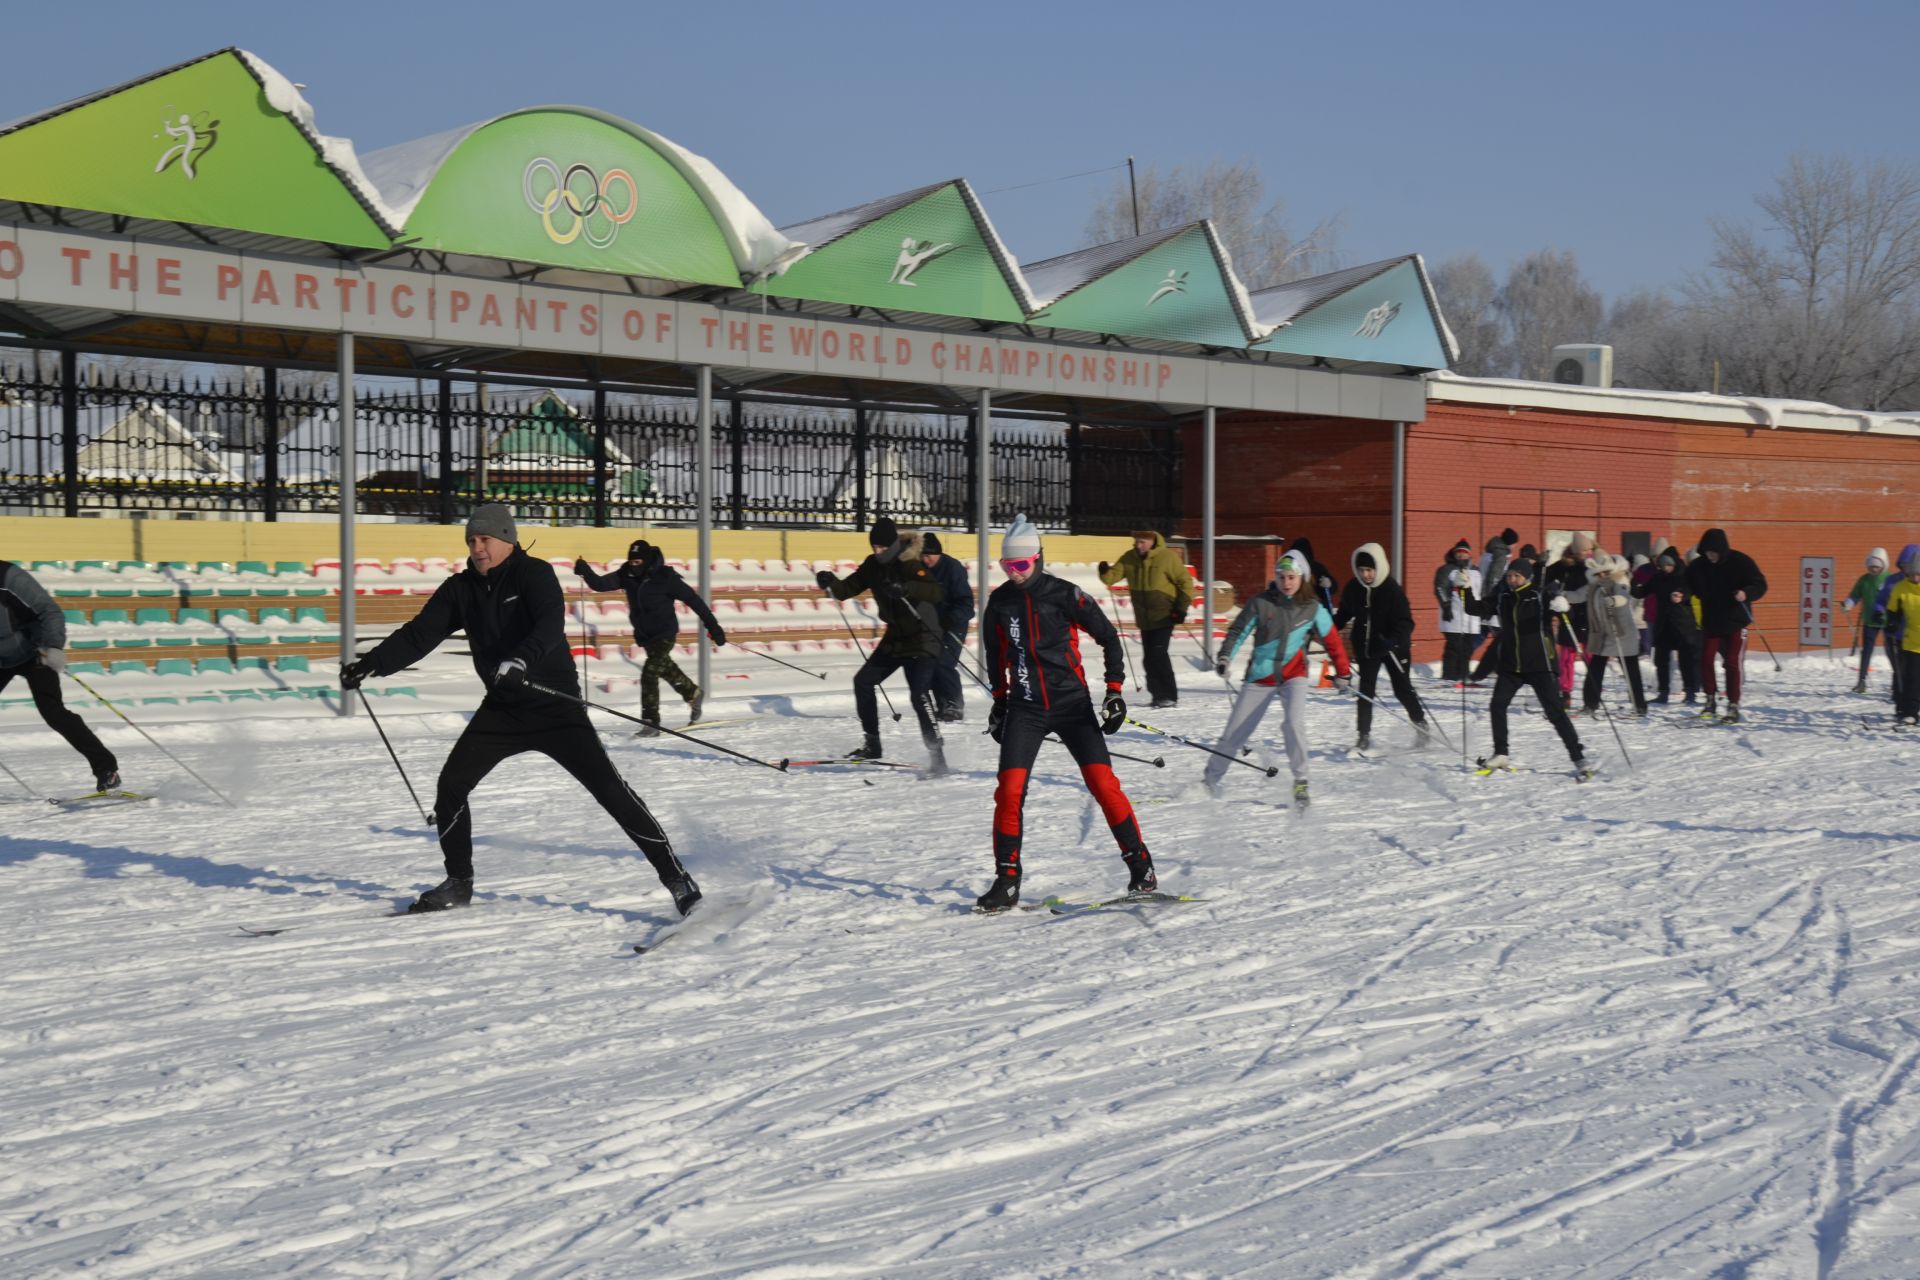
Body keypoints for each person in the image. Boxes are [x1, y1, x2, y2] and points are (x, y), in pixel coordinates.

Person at [342, 505, 699, 916]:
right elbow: (420, 633)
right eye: (472, 541)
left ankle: (676, 878)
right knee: (451, 787)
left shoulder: (535, 574)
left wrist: (522, 660)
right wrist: (372, 663)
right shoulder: (461, 589)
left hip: (554, 704)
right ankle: (459, 883)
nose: (478, 548)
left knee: (609, 790)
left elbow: (549, 623)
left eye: (485, 540)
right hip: (503, 709)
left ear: (507, 540)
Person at [975, 514, 1151, 912]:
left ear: (1038, 558)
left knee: (1104, 786)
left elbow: (1108, 638)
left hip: (1072, 706)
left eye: (1021, 564)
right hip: (1026, 709)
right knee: (1009, 792)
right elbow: (996, 656)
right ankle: (1006, 881)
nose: (1015, 573)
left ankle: (1142, 867)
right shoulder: (1000, 602)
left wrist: (1114, 692)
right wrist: (1000, 701)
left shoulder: (1065, 594)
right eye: (1007, 566)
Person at [1211, 550, 1352, 805]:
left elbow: (1332, 641)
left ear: (1302, 578)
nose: (1286, 582)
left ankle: (1301, 781)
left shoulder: (1312, 608)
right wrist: (1224, 657)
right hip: (1260, 676)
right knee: (1234, 732)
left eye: (1291, 577)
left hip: (1293, 675)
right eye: (1281, 576)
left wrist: (1343, 672)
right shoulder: (1261, 603)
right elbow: (1238, 631)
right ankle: (1210, 781)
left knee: (1293, 724)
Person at [816, 516, 948, 771]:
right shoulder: (872, 565)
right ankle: (872, 743)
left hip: (923, 636)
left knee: (919, 696)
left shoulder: (909, 562)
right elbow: (845, 590)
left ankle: (937, 756)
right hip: (896, 637)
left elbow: (935, 592)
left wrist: (906, 587)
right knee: (863, 681)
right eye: (874, 548)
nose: (878, 552)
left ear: (893, 546)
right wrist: (829, 582)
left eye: (883, 548)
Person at [574, 539, 724, 736]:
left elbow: (693, 600)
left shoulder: (665, 577)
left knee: (650, 672)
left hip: (665, 633)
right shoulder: (626, 574)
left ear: (646, 561)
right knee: (665, 668)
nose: (634, 566)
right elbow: (601, 584)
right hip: (646, 636)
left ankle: (651, 722)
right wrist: (585, 571)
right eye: (632, 562)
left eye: (638, 562)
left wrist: (713, 626)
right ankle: (692, 694)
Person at [1459, 553, 1590, 773]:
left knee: (1555, 712)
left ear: (1527, 577)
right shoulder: (1503, 597)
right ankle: (1501, 753)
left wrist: (1562, 605)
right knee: (1497, 705)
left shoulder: (1539, 596)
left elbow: (1559, 606)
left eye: (1517, 576)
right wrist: (1464, 590)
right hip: (1512, 665)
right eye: (1510, 575)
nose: (1512, 580)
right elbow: (1474, 608)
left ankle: (1578, 757)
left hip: (1539, 664)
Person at [0, 559, 120, 792]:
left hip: (35, 650)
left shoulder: (7, 575)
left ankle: (106, 769)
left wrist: (54, 646)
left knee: (53, 712)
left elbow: (49, 609)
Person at [1332, 541, 1430, 750]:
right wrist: (1328, 628)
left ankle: (1421, 725)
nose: (1366, 575)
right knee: (1365, 691)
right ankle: (1363, 735)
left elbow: (1406, 622)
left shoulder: (1392, 590)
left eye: (1369, 570)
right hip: (1368, 648)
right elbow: (1343, 614)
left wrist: (1393, 640)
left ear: (1378, 567)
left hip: (1393, 648)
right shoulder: (1353, 588)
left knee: (1402, 690)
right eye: (1361, 570)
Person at [1099, 529, 1193, 709]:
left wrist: (1180, 608)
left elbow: (1186, 583)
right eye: (1136, 542)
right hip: (1144, 617)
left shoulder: (1167, 558)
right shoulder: (1129, 557)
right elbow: (1111, 577)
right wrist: (1104, 571)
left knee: (1158, 654)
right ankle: (1157, 695)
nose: (1138, 545)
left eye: (1142, 542)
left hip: (1165, 614)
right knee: (1149, 657)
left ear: (1152, 542)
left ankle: (1168, 695)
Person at [1684, 527, 1768, 723]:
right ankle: (1710, 699)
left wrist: (1746, 593)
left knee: (1731, 661)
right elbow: (1687, 583)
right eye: (1707, 552)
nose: (1710, 556)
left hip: (1736, 621)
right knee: (1705, 658)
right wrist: (1682, 594)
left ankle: (1733, 704)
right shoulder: (1699, 566)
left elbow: (1760, 584)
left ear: (1721, 549)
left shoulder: (1741, 562)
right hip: (1712, 620)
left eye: (1713, 552)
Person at [1581, 552, 1647, 716]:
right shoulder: (1593, 588)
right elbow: (1578, 595)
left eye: (1605, 572)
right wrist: (1563, 596)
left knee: (1631, 671)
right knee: (1595, 669)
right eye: (1598, 573)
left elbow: (1623, 597)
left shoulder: (1618, 583)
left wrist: (1613, 601)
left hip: (1622, 635)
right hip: (1604, 636)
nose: (1602, 576)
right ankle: (1590, 704)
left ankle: (1639, 706)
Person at [920, 532, 975, 722]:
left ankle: (954, 705)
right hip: (932, 626)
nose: (926, 560)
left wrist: (951, 618)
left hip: (954, 624)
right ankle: (942, 705)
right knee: (930, 663)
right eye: (923, 556)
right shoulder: (920, 570)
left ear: (938, 553)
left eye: (929, 556)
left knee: (944, 662)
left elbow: (966, 603)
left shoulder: (953, 569)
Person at [1635, 547, 1700, 705]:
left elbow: (1692, 589)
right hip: (1663, 624)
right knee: (1661, 660)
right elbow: (1642, 591)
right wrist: (1633, 585)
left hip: (1682, 625)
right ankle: (1663, 692)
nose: (1666, 569)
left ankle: (1690, 691)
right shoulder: (1658, 578)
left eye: (1668, 565)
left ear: (1675, 564)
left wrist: (1681, 594)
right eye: (1663, 566)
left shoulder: (1684, 576)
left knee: (1686, 660)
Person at [1543, 534, 1597, 705]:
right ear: (1575, 552)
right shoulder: (1562, 567)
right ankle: (1565, 691)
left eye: (1589, 550)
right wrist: (1553, 590)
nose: (1587, 553)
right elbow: (1546, 581)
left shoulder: (1594, 566)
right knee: (1567, 657)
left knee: (1592, 656)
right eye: (1583, 551)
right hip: (1569, 615)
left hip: (1590, 616)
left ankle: (1594, 689)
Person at [1844, 547, 1897, 695]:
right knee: (1866, 651)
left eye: (1877, 566)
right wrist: (1848, 604)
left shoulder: (1890, 579)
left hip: (1887, 621)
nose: (1874, 569)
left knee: (1892, 651)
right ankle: (1862, 680)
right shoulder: (1864, 580)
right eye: (1871, 566)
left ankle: (1897, 680)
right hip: (1869, 621)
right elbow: (1855, 595)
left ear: (1883, 565)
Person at [1467, 530, 1518, 684]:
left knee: (1481, 636)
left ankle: (1462, 660)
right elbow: (1493, 580)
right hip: (1494, 603)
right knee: (1504, 639)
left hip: (1485, 601)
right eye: (1515, 543)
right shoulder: (1500, 556)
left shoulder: (1488, 553)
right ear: (1510, 543)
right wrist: (1491, 603)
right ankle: (1499, 668)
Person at [1433, 538, 1482, 684]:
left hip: (1471, 617)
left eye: (1464, 553)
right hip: (1452, 616)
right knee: (1454, 647)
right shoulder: (1447, 570)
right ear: (1454, 554)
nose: (1461, 555)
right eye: (1458, 553)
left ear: (1469, 555)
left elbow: (1481, 591)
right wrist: (1446, 605)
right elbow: (1440, 588)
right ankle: (1449, 675)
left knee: (1467, 648)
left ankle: (1463, 674)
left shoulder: (1476, 571)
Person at [1883, 556, 1920, 725]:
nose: (1915, 578)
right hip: (1912, 641)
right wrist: (1892, 623)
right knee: (1911, 678)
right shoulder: (1901, 588)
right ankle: (1910, 712)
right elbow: (1893, 610)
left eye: (1918, 574)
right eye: (1912, 574)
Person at [1287, 537, 1338, 612]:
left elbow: (1333, 587)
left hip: (1317, 607)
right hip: (1295, 607)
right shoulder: (1290, 567)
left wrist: (1329, 584)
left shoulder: (1316, 568)